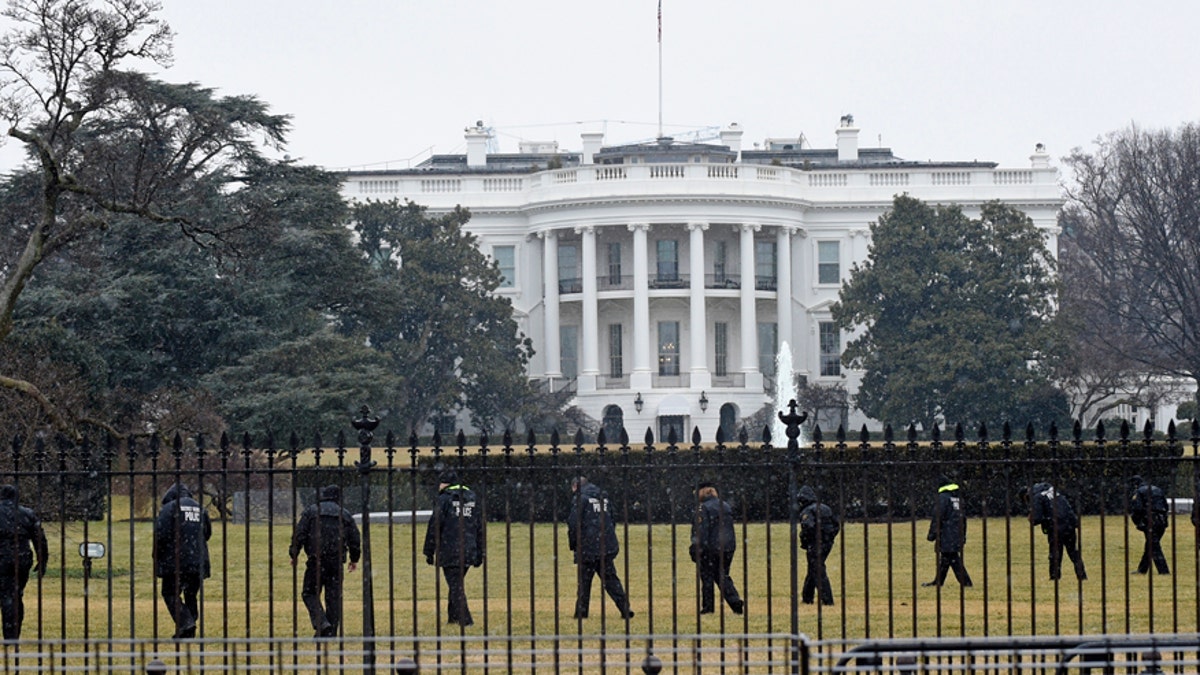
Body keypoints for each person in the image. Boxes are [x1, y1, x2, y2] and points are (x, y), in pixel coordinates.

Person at [289, 485, 361, 637]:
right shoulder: (345, 514)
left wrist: (294, 553)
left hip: (316, 560)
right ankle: (330, 631)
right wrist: (354, 559)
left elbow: (300, 533)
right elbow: (354, 539)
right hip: (336, 562)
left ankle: (321, 622)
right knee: (333, 597)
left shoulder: (311, 512)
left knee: (309, 593)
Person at [423, 470, 484, 627]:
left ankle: (466, 620)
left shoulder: (444, 499)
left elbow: (434, 525)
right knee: (456, 583)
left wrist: (429, 551)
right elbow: (479, 526)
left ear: (444, 483)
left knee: (456, 586)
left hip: (449, 550)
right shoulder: (472, 498)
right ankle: (453, 618)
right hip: (469, 549)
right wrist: (480, 552)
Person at [567, 476, 633, 620]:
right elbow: (612, 519)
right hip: (606, 546)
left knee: (584, 582)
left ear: (575, 487)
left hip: (588, 547)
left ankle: (581, 613)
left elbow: (573, 523)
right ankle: (625, 608)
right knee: (611, 580)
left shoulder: (581, 498)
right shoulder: (604, 497)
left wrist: (574, 545)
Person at [154, 483, 212, 639]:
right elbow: (207, 533)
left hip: (176, 561)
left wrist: (157, 557)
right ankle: (188, 628)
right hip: (198, 561)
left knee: (170, 594)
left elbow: (160, 534)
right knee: (191, 594)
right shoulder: (200, 508)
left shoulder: (169, 509)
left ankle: (186, 623)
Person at [0, 485, 48, 640]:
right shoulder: (27, 514)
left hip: (2, 558)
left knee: (7, 596)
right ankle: (12, 636)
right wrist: (43, 560)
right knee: (14, 596)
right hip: (20, 560)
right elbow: (40, 539)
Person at [690, 482, 743, 615]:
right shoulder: (724, 505)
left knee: (707, 577)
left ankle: (708, 607)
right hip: (728, 546)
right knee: (722, 575)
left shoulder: (703, 508)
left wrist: (696, 548)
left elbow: (701, 531)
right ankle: (734, 600)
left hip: (710, 548)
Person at [1023, 482, 1087, 581]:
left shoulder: (1037, 497)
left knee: (1055, 554)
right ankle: (1082, 576)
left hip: (1055, 527)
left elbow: (1037, 519)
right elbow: (1067, 507)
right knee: (1073, 552)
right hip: (1069, 524)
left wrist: (1031, 518)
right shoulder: (1054, 492)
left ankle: (1055, 577)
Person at [923, 475, 973, 588]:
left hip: (946, 532)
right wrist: (963, 535)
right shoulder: (957, 498)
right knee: (946, 557)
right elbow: (963, 518)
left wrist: (932, 534)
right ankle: (938, 581)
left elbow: (938, 516)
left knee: (952, 558)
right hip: (956, 532)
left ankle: (966, 582)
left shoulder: (943, 498)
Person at [798, 484, 839, 605]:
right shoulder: (825, 508)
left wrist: (805, 541)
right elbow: (836, 525)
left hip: (815, 544)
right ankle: (807, 597)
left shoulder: (807, 511)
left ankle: (827, 600)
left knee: (817, 570)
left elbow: (808, 527)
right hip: (827, 544)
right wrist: (829, 538)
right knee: (813, 568)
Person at [1129, 475, 1169, 575]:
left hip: (1150, 520)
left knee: (1154, 547)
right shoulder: (1157, 489)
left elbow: (1137, 509)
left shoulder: (1139, 492)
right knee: (1150, 545)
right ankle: (1142, 569)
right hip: (1162, 520)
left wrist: (1138, 522)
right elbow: (1166, 506)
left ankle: (1164, 571)